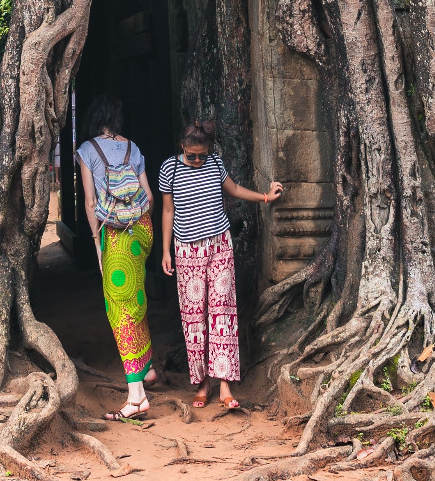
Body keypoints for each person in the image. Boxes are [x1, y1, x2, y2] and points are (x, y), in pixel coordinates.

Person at [159, 117, 282, 413]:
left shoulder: (215, 163)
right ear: (182, 147)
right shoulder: (170, 168)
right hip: (186, 251)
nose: (198, 160)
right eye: (192, 155)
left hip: (219, 247)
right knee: (194, 318)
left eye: (202, 154)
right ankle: (202, 384)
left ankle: (224, 383)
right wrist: (165, 251)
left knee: (222, 314)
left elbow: (235, 190)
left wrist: (264, 196)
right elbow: (167, 211)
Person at [77, 94, 158, 421]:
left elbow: (89, 202)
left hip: (117, 235)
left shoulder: (87, 150)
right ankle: (147, 368)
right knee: (135, 297)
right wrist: (136, 222)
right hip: (143, 230)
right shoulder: (133, 148)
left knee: (120, 306)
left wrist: (99, 243)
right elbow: (149, 197)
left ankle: (136, 396)